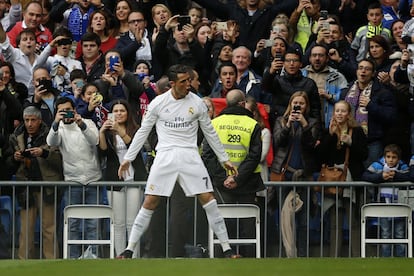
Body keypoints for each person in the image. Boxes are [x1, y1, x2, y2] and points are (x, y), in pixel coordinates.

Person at [116, 64, 240, 259]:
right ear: (172, 84)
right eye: (183, 82)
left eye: (189, 80)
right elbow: (143, 131)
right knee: (150, 201)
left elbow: (210, 132)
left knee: (209, 199)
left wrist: (224, 159)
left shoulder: (197, 103)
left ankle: (227, 249)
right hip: (165, 155)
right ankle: (129, 249)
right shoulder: (158, 103)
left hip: (190, 155)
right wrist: (128, 158)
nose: (188, 85)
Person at [202, 89, 265, 257]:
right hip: (247, 182)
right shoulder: (252, 125)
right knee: (248, 225)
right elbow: (254, 156)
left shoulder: (214, 123)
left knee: (221, 223)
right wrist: (237, 178)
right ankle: (250, 259)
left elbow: (207, 154)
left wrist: (223, 178)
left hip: (221, 184)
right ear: (243, 104)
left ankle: (219, 257)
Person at [46, 96, 102, 258]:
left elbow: (95, 140)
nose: (66, 114)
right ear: (57, 112)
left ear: (75, 110)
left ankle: (94, 257)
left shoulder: (87, 123)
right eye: (62, 111)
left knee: (93, 222)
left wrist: (81, 123)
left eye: (69, 110)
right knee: (73, 223)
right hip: (72, 180)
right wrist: (56, 122)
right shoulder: (59, 129)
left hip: (93, 179)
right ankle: (72, 258)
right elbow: (51, 142)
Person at [5, 106, 62, 259]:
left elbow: (60, 160)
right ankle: (23, 262)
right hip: (26, 186)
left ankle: (52, 262)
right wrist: (15, 158)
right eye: (26, 120)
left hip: (47, 186)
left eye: (33, 120)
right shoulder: (15, 136)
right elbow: (7, 164)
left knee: (49, 228)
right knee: (26, 229)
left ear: (40, 120)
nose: (29, 124)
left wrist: (44, 153)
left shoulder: (51, 134)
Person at [272, 91, 321, 257]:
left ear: (306, 106)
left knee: (304, 219)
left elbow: (311, 145)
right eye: (295, 103)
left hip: (304, 175)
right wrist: (287, 126)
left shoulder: (312, 122)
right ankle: (287, 253)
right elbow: (278, 142)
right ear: (290, 104)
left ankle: (303, 254)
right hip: (284, 175)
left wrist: (304, 125)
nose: (298, 105)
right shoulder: (281, 121)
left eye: (302, 103)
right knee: (285, 218)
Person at [317, 100, 368, 257]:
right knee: (334, 221)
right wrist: (331, 136)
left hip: (350, 180)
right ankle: (334, 257)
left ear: (348, 114)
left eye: (343, 111)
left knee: (353, 220)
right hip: (333, 181)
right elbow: (321, 156)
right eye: (337, 111)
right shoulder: (328, 131)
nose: (339, 114)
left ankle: (357, 256)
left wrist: (351, 143)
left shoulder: (357, 131)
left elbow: (363, 155)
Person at [99, 99, 147, 257]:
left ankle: (134, 256)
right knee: (118, 222)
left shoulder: (135, 129)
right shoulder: (108, 131)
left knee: (132, 221)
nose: (119, 114)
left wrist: (121, 131)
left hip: (134, 179)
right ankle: (119, 255)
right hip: (114, 179)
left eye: (122, 111)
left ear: (128, 113)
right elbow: (103, 152)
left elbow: (136, 148)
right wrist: (101, 132)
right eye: (116, 111)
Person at [362, 144, 410, 257]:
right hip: (383, 205)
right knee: (385, 234)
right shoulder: (378, 165)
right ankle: (386, 259)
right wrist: (380, 177)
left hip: (400, 206)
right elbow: (365, 175)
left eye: (394, 157)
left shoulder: (403, 167)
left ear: (398, 158)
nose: (391, 160)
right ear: (384, 157)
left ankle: (401, 260)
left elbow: (409, 176)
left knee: (400, 234)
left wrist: (396, 176)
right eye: (388, 157)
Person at [261, 47, 321, 129]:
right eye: (288, 61)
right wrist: (271, 72)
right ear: (283, 63)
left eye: (295, 61)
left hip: (303, 125)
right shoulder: (277, 80)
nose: (291, 64)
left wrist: (317, 131)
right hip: (280, 123)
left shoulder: (309, 83)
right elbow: (264, 87)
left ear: (300, 64)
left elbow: (315, 110)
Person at [302, 44, 348, 128]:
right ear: (309, 58)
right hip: (304, 122)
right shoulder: (301, 74)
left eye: (321, 55)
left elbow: (346, 99)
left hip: (328, 123)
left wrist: (329, 96)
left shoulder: (337, 76)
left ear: (327, 59)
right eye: (314, 55)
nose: (317, 58)